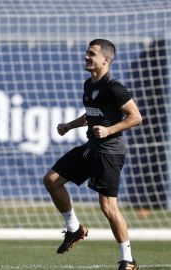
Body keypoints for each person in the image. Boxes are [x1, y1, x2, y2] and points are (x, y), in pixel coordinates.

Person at [43, 39, 142, 270]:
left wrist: (109, 130)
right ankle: (74, 229)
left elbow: (135, 116)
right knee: (51, 180)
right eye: (87, 53)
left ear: (105, 60)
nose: (87, 57)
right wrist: (69, 125)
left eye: (92, 53)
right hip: (91, 147)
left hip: (109, 152)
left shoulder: (115, 87)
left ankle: (128, 259)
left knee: (108, 207)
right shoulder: (89, 84)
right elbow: (91, 114)